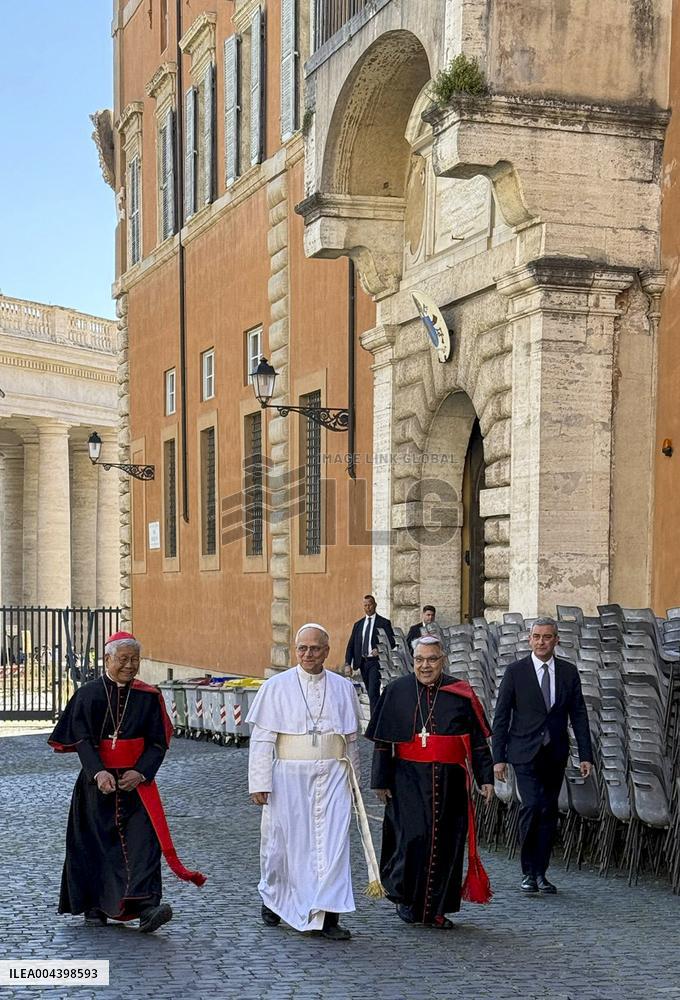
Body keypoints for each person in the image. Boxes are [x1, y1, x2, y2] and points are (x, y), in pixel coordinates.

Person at [48, 631, 205, 932]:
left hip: (137, 784)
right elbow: (81, 739)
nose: (130, 666)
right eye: (123, 659)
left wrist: (143, 771)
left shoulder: (148, 696)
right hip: (98, 783)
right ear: (107, 659)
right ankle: (95, 906)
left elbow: (158, 743)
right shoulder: (89, 694)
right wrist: (98, 772)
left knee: (144, 843)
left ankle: (146, 907)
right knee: (94, 843)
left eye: (135, 659)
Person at [247, 624, 381, 941]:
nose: (309, 654)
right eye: (303, 649)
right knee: (284, 845)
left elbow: (349, 741)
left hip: (334, 774)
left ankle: (328, 916)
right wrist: (259, 782)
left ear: (327, 651)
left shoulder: (343, 687)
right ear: (296, 650)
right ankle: (274, 898)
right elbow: (263, 739)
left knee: (333, 846)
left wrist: (354, 783)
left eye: (315, 649)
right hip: (289, 778)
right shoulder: (276, 687)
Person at [365, 636, 494, 929]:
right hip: (407, 779)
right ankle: (408, 900)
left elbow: (476, 741)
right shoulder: (397, 691)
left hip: (450, 782)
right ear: (413, 661)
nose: (426, 666)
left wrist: (485, 777)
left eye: (432, 659)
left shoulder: (460, 693)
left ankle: (436, 910)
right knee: (412, 839)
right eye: (420, 660)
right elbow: (384, 742)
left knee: (447, 844)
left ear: (442, 660)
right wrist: (380, 780)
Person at [491, 617, 593, 895]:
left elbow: (579, 715)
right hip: (523, 752)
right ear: (529, 639)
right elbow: (501, 717)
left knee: (548, 811)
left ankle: (541, 873)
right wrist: (497, 757)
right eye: (536, 636)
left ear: (556, 640)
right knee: (532, 806)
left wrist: (586, 755)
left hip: (555, 752)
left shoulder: (569, 672)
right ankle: (527, 872)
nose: (541, 642)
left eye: (547, 637)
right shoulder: (516, 672)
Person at [344, 595, 396, 714]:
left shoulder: (383, 623)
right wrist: (348, 663)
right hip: (362, 662)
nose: (368, 608)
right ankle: (378, 717)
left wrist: (380, 648)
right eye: (365, 605)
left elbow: (392, 642)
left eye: (370, 605)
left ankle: (373, 724)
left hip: (376, 662)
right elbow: (351, 645)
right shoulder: (358, 624)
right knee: (370, 691)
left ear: (375, 605)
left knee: (373, 692)